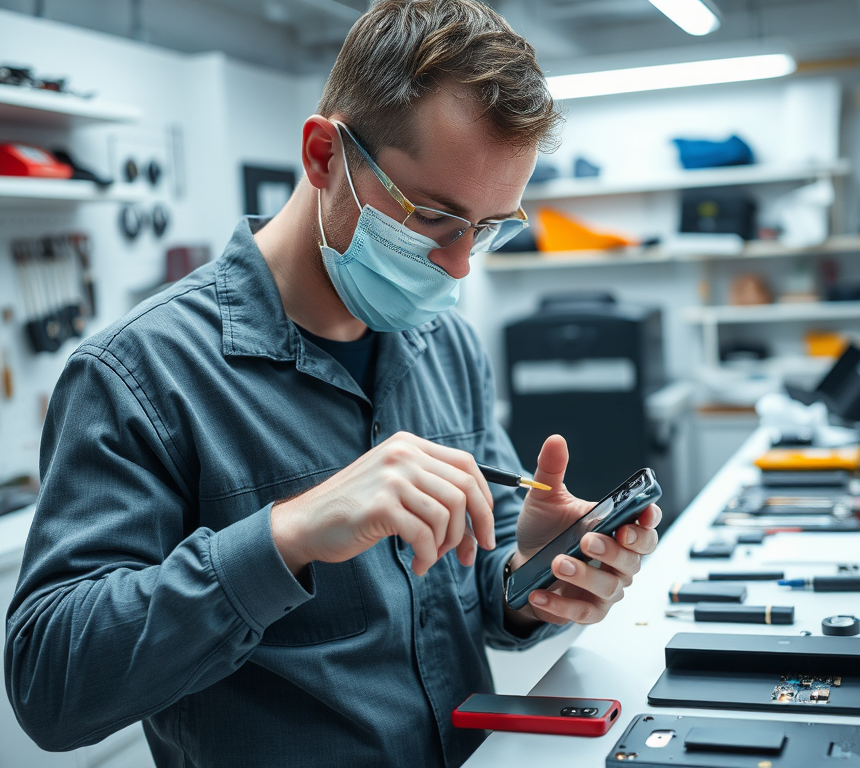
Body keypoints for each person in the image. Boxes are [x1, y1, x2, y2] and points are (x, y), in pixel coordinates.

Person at [4, 1, 661, 766]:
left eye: (488, 228)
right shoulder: (139, 374)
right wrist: (287, 536)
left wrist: (533, 578)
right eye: (436, 218)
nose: (460, 266)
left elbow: (471, 597)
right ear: (324, 156)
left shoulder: (443, 342)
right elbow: (49, 685)